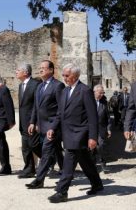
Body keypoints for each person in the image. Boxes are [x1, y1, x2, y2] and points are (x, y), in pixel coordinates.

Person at [47, 63, 103, 203]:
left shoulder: (85, 90)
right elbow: (60, 113)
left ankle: (62, 192)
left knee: (68, 162)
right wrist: (52, 127)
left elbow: (92, 116)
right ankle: (97, 184)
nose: (64, 78)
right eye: (64, 75)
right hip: (67, 133)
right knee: (85, 160)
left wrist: (92, 137)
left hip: (80, 133)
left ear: (76, 75)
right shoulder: (65, 91)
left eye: (67, 75)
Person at [25, 60, 65, 189]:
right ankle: (65, 173)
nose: (40, 69)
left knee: (46, 152)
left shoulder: (58, 86)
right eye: (40, 67)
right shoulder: (40, 86)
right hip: (40, 126)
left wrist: (53, 127)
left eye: (44, 68)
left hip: (52, 127)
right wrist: (32, 122)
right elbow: (36, 107)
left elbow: (61, 109)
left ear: (51, 70)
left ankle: (39, 180)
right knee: (53, 149)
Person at [16, 63, 41, 178]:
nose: (16, 72)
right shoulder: (21, 86)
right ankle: (29, 169)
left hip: (32, 122)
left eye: (18, 70)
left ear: (25, 72)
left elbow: (37, 105)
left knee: (34, 145)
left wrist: (34, 122)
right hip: (23, 122)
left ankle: (50, 159)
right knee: (25, 147)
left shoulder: (35, 84)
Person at [93, 84, 112, 173]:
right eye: (100, 93)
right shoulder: (89, 101)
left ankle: (103, 163)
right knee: (91, 147)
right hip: (91, 129)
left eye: (102, 93)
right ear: (95, 92)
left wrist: (108, 128)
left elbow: (108, 117)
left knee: (101, 146)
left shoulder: (104, 102)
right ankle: (92, 165)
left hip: (101, 129)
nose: (102, 94)